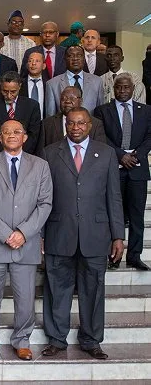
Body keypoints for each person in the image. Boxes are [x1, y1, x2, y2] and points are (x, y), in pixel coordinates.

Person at [42, 107, 124, 360]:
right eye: (71, 123)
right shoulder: (49, 152)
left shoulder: (108, 153)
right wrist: (41, 235)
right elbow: (43, 198)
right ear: (65, 124)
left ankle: (91, 340)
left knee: (94, 290)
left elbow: (114, 196)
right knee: (57, 288)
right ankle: (57, 339)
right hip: (59, 232)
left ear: (90, 125)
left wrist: (118, 235)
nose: (76, 127)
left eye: (81, 123)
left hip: (96, 234)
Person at [0, 119, 53, 361]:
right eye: (6, 131)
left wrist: (23, 233)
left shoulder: (40, 166)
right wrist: (5, 233)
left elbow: (45, 203)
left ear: (25, 137)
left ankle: (22, 340)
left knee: (26, 296)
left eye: (17, 131)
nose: (11, 135)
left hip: (25, 243)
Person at [94, 74, 151, 271]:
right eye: (119, 87)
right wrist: (120, 155)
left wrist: (138, 155)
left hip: (138, 168)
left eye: (127, 87)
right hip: (113, 167)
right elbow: (101, 137)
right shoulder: (102, 111)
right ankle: (114, 256)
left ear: (133, 88)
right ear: (113, 88)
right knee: (113, 214)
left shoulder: (146, 111)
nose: (123, 91)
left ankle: (134, 256)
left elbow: (150, 136)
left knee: (136, 215)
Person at [0, 71, 41, 156]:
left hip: (24, 156)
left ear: (19, 86)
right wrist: (5, 155)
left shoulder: (32, 106)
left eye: (13, 92)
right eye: (5, 91)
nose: (9, 96)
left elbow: (33, 136)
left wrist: (18, 154)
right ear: (0, 87)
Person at [37, 86, 106, 155]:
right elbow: (41, 153)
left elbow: (101, 152)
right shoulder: (47, 124)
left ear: (81, 101)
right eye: (63, 98)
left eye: (72, 98)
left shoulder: (95, 123)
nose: (67, 101)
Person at [45, 45, 104, 117]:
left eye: (79, 55)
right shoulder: (52, 84)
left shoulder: (97, 81)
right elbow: (51, 116)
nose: (75, 59)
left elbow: (100, 113)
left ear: (84, 58)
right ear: (65, 59)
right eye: (71, 56)